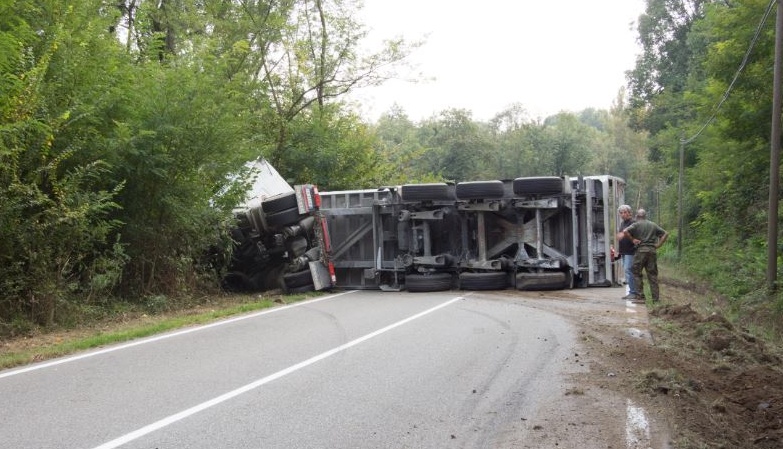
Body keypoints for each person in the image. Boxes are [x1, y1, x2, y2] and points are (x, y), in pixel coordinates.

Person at [622, 209, 668, 304]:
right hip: (652, 251)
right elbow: (665, 234)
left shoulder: (636, 224)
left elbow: (625, 231)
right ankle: (656, 299)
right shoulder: (653, 224)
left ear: (637, 216)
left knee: (637, 273)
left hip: (641, 251)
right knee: (652, 275)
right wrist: (658, 245)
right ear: (645, 216)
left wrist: (633, 239)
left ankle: (640, 297)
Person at [615, 205, 639, 300]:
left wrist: (623, 235)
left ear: (629, 213)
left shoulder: (633, 222)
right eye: (621, 213)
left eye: (625, 212)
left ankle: (633, 292)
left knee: (629, 270)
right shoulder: (623, 223)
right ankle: (632, 292)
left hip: (631, 251)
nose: (623, 214)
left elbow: (631, 234)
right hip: (624, 251)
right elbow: (620, 236)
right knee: (627, 271)